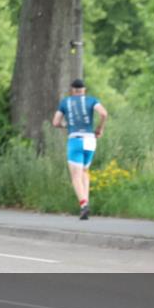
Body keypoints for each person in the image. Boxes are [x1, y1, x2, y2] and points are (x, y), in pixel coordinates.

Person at [52, 78, 108, 220]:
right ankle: (86, 202)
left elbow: (56, 122)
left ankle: (83, 205)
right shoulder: (91, 100)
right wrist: (100, 129)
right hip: (90, 139)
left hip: (75, 140)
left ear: (72, 90)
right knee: (84, 171)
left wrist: (67, 125)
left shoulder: (65, 102)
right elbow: (103, 114)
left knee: (76, 176)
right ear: (84, 90)